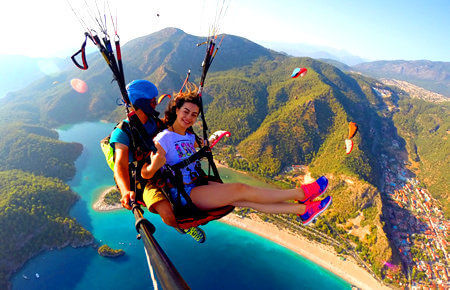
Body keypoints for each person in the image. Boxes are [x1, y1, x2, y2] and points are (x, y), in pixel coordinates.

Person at [141, 83, 332, 226]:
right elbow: (146, 174)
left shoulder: (190, 138)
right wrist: (156, 164)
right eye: (186, 112)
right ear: (176, 110)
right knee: (241, 188)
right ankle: (302, 193)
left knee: (246, 200)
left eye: (194, 115)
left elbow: (197, 150)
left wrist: (209, 143)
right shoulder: (164, 138)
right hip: (186, 194)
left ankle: (304, 210)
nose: (189, 117)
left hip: (199, 185)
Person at [109, 80, 206, 242]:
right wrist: (126, 191)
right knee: (168, 214)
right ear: (142, 103)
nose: (155, 104)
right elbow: (119, 164)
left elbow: (174, 134)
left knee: (195, 194)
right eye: (153, 101)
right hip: (143, 180)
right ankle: (184, 226)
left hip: (164, 170)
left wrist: (197, 142)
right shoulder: (122, 132)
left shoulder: (155, 123)